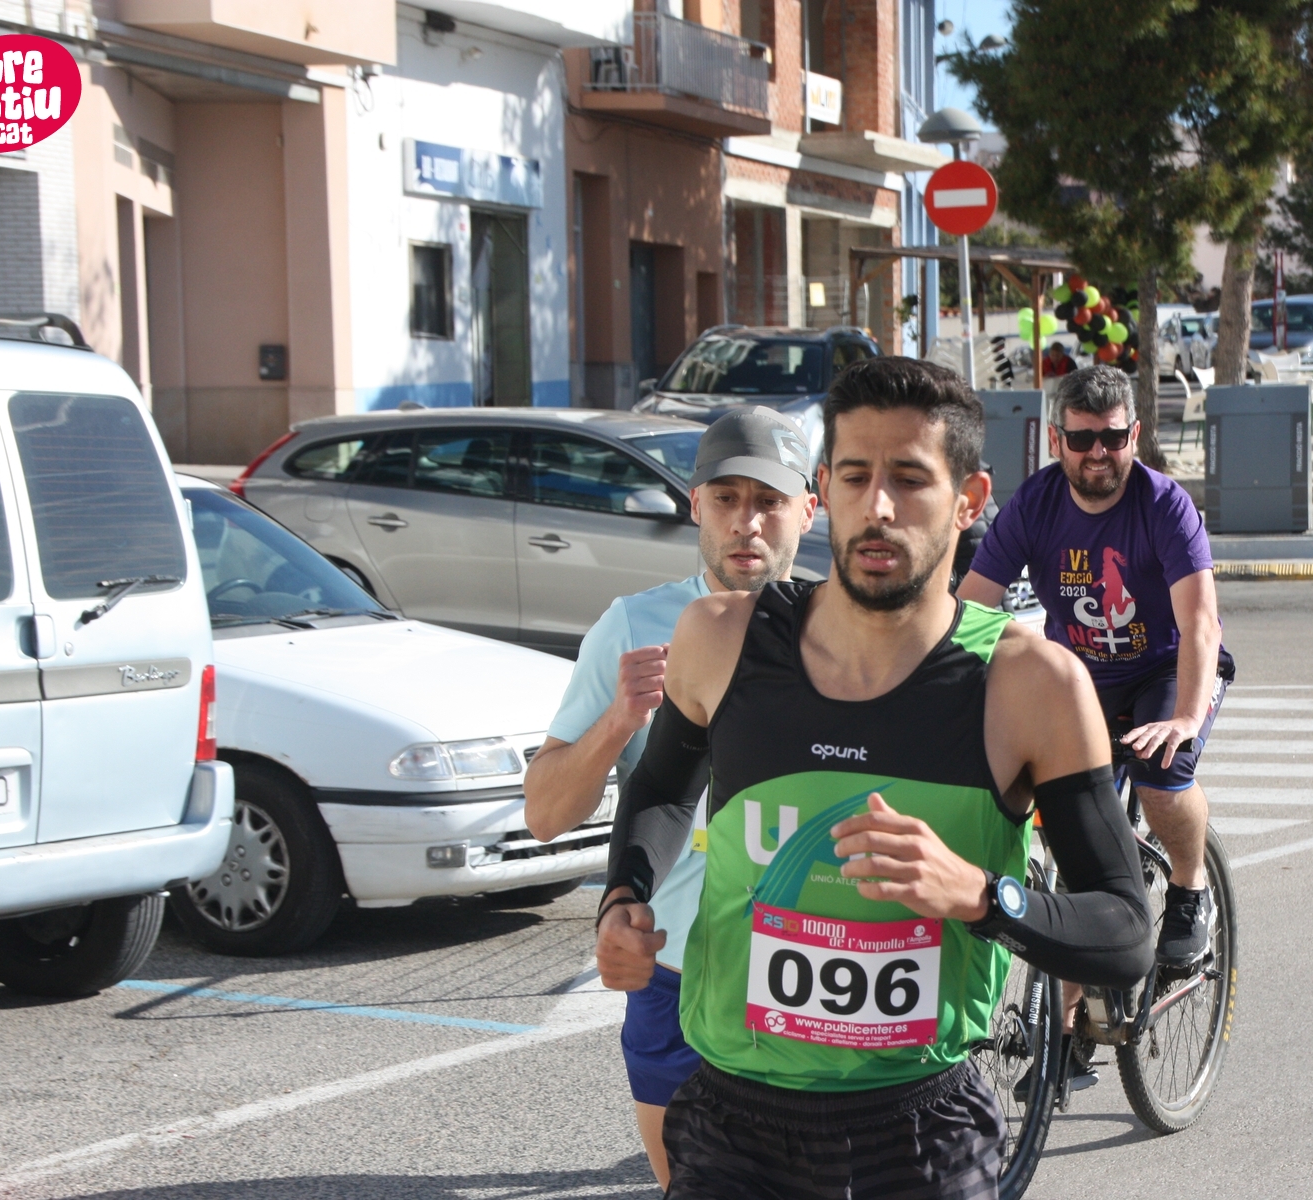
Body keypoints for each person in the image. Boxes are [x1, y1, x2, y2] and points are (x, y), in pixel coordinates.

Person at [596, 356, 1155, 1200]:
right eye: (856, 477)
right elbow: (663, 788)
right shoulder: (721, 637)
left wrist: (980, 896)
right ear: (825, 488)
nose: (878, 507)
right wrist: (623, 895)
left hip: (919, 1129)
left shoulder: (1029, 683)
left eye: (910, 479)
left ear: (969, 499)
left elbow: (1123, 930)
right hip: (734, 1122)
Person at [522, 407, 818, 1191]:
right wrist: (618, 722)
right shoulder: (634, 626)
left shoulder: (838, 635)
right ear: (695, 506)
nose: (747, 523)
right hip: (674, 971)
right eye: (726, 499)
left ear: (808, 510)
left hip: (805, 973)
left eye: (770, 501)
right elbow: (544, 815)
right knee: (686, 1184)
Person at [956, 364, 1232, 972]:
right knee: (1060, 829)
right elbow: (970, 607)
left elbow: (1200, 623)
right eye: (1082, 439)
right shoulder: (1035, 505)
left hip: (1165, 671)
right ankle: (1073, 1018)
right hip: (1080, 678)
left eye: (1112, 437)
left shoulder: (1165, 505)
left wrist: (1186, 718)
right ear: (1057, 441)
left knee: (1162, 776)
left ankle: (1190, 890)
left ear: (1134, 435)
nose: (1098, 453)